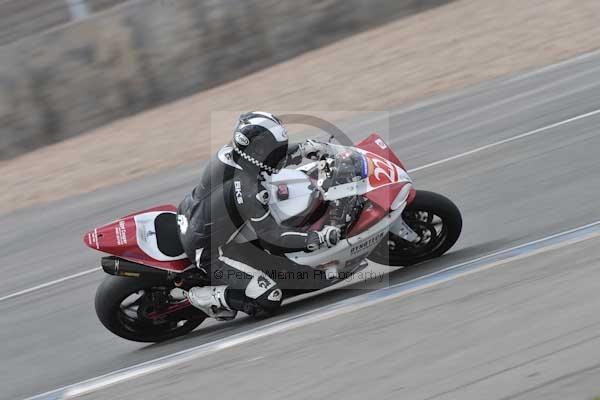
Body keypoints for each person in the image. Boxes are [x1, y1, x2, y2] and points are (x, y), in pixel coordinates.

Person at [177, 111, 340, 320]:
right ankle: (202, 296)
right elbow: (273, 237)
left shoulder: (232, 153)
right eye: (271, 150)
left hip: (193, 214)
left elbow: (267, 160)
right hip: (211, 253)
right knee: (269, 298)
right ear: (256, 150)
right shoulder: (246, 188)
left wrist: (305, 148)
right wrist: (318, 238)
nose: (276, 154)